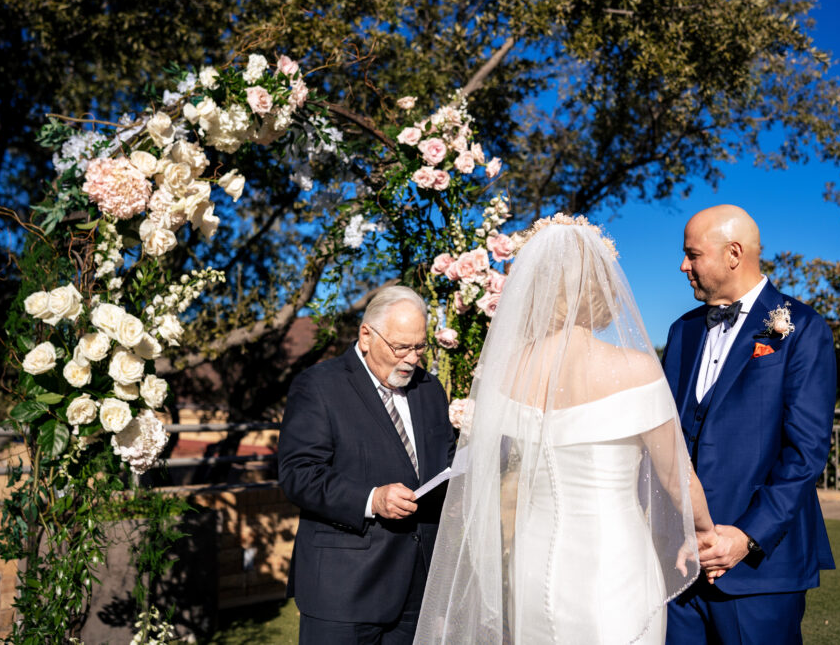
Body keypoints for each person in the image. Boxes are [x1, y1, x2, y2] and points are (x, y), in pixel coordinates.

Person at [414, 214, 716, 645]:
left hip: (532, 563)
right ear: (603, 288)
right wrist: (702, 530)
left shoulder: (506, 372)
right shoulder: (636, 368)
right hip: (614, 564)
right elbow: (676, 477)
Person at [662, 205, 837, 644]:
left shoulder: (802, 328)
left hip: (761, 570)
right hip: (679, 565)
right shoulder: (681, 332)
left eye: (692, 254)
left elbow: (806, 453)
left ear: (733, 254)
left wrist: (745, 537)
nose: (683, 265)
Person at [279, 286, 457, 644]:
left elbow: (444, 465)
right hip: (343, 590)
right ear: (366, 335)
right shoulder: (318, 385)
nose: (411, 359)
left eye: (420, 348)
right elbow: (297, 474)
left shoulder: (431, 389)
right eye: (401, 347)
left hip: (419, 588)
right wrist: (371, 499)